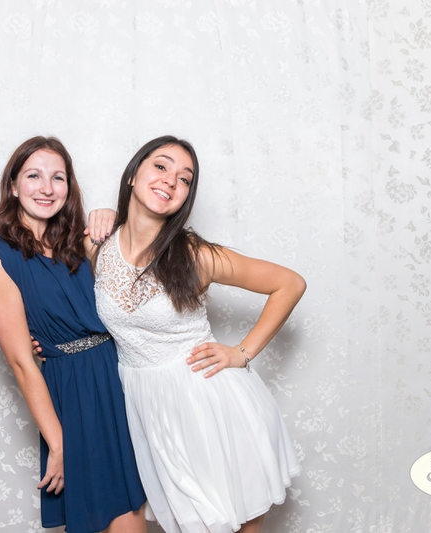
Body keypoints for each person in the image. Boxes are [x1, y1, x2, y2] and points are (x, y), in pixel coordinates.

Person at [93, 136, 306, 533]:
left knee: (237, 522)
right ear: (133, 175)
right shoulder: (97, 245)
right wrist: (46, 343)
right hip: (145, 406)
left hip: (209, 403)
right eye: (161, 166)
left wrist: (242, 352)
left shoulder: (194, 254)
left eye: (185, 178)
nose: (171, 180)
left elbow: (289, 283)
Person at [0, 136, 146, 533]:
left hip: (121, 379)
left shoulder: (80, 242)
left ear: (69, 186)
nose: (47, 188)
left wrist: (111, 217)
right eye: (34, 176)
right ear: (13, 186)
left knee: (135, 511)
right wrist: (58, 442)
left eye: (58, 177)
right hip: (76, 395)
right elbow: (22, 363)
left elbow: (139, 265)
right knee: (111, 517)